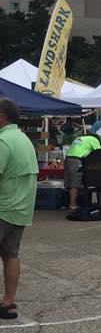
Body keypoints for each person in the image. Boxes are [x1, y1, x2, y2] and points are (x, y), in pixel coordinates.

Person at [0, 98, 38, 320]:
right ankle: (9, 302)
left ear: (2, 117)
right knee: (11, 254)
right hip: (21, 208)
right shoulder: (23, 140)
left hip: (3, 207)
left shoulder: (4, 141)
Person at [64, 131, 101, 212]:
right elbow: (100, 153)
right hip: (76, 160)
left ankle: (66, 204)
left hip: (68, 158)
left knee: (68, 184)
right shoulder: (94, 140)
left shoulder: (81, 138)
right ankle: (72, 206)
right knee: (75, 183)